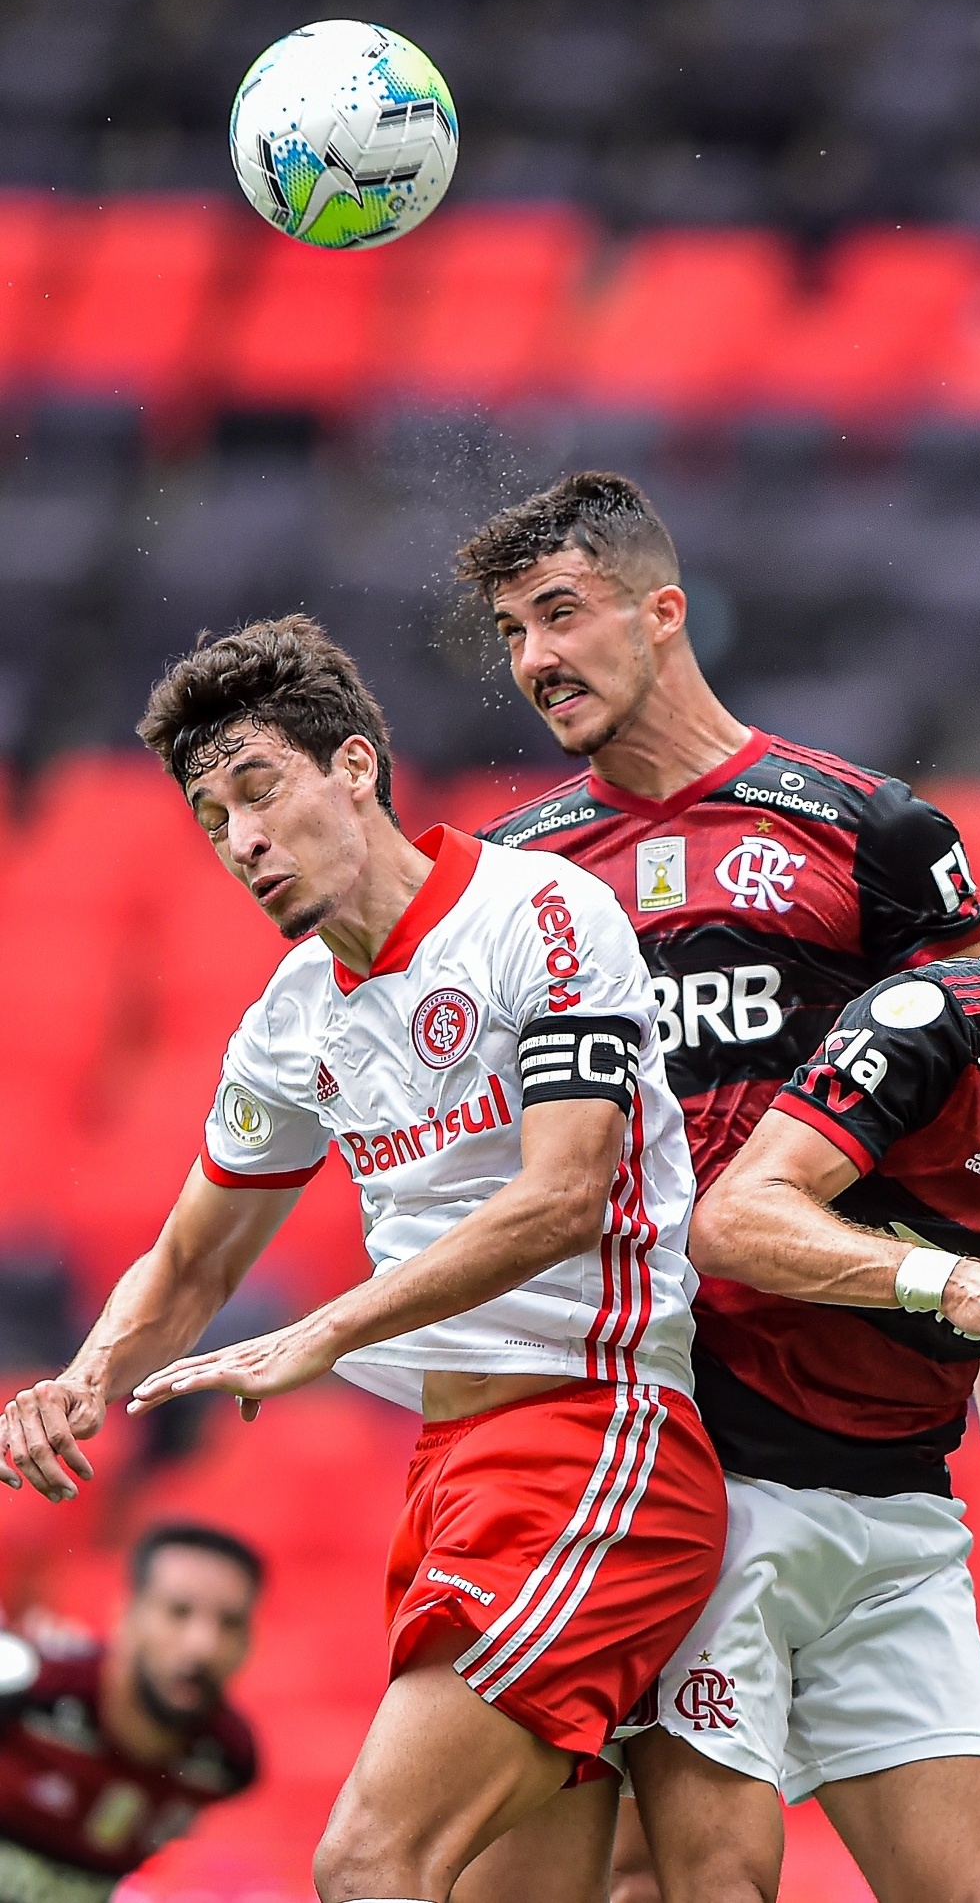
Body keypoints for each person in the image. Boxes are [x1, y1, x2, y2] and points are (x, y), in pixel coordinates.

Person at [458, 472, 980, 1903]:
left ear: (663, 612)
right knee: (630, 1877)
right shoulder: (511, 881)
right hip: (679, 1430)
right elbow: (725, 1200)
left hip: (893, 1484)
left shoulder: (875, 843)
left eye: (560, 616)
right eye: (510, 631)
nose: (532, 658)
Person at [0, 615, 729, 1903]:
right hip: (451, 1474)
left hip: (595, 1440)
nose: (241, 843)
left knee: (367, 1863)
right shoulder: (291, 1017)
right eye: (211, 817)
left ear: (353, 764)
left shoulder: (540, 914)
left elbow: (565, 1196)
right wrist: (88, 1376)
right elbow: (190, 1261)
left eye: (259, 790)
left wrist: (330, 1328)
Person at [0, 1523, 260, 1903]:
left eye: (230, 1623)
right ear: (126, 1616)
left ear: (248, 1644)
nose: (203, 1645)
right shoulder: (29, 1688)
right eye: (178, 1612)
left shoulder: (226, 1764)